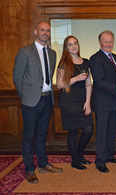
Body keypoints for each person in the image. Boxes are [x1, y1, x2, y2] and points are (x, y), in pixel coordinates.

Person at [13, 22, 63, 184]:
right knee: (29, 136)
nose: (45, 33)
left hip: (47, 99)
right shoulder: (25, 51)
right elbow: (17, 77)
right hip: (31, 101)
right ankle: (29, 169)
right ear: (36, 32)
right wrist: (26, 96)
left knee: (42, 135)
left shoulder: (52, 53)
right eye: (42, 30)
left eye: (48, 30)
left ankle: (43, 164)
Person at [90, 30, 116, 173]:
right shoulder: (95, 58)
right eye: (105, 41)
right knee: (102, 132)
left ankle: (109, 155)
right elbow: (99, 82)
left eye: (110, 41)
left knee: (112, 131)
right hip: (102, 102)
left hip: (114, 100)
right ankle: (100, 161)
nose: (108, 44)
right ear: (100, 43)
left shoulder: (115, 57)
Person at [56, 36, 94, 170]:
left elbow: (88, 84)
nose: (73, 47)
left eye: (75, 44)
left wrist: (88, 102)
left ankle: (79, 155)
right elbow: (59, 85)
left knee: (89, 129)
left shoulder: (86, 62)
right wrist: (76, 78)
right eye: (70, 45)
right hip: (68, 101)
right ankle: (75, 160)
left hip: (82, 101)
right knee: (73, 131)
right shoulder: (63, 63)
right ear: (66, 48)